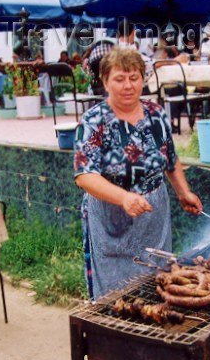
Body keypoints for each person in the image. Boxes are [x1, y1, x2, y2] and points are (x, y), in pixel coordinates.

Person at [73, 47, 202, 300]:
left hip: (153, 212)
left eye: (134, 78)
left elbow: (170, 158)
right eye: (119, 79)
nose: (128, 85)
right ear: (105, 81)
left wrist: (183, 192)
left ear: (143, 79)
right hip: (112, 214)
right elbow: (84, 175)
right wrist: (124, 198)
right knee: (116, 291)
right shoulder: (93, 121)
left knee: (157, 278)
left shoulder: (155, 114)